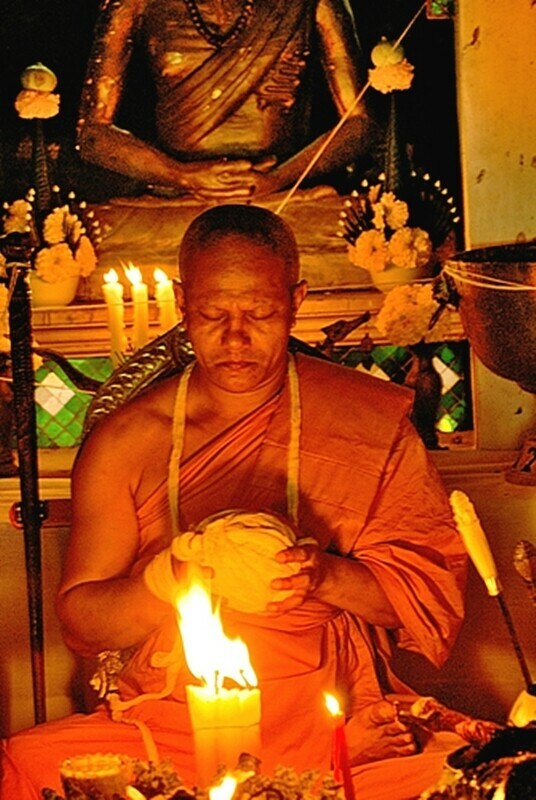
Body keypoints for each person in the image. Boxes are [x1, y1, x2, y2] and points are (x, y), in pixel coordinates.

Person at [1, 204, 467, 799]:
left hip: (334, 705)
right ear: (181, 302)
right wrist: (168, 581)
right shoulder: (128, 442)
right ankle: (316, 769)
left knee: (472, 773)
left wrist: (322, 576)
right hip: (179, 721)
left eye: (261, 313)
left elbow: (424, 597)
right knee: (26, 765)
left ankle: (323, 759)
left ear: (295, 301)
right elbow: (83, 623)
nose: (236, 338)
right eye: (212, 314)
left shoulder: (363, 419)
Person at [77, 0, 378, 200]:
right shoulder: (136, 4)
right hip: (175, 198)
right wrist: (181, 175)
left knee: (343, 239)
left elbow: (361, 124)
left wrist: (280, 178)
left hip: (284, 194)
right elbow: (92, 135)